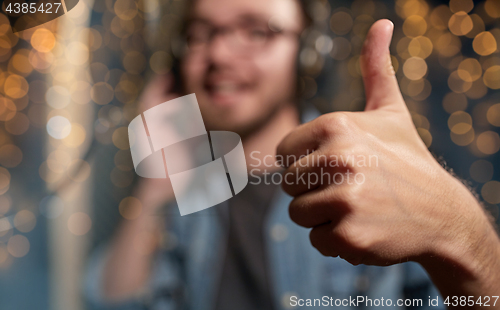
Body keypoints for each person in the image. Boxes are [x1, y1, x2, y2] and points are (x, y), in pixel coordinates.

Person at [85, 0, 500, 309]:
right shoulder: (187, 190)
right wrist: (156, 183)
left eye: (255, 31)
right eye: (200, 34)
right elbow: (111, 303)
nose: (219, 55)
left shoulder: (362, 171)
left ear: (308, 51)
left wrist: (464, 234)